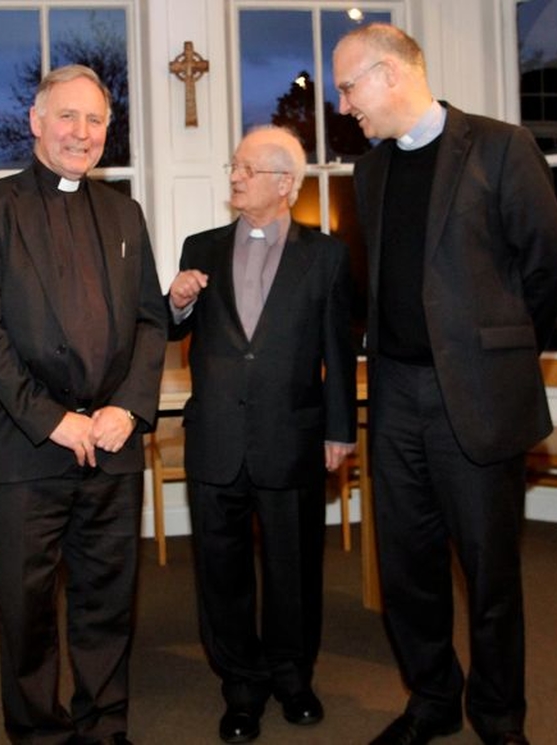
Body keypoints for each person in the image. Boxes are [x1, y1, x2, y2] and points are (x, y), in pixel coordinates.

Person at [333, 23, 557, 745]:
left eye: (348, 87)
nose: (344, 105)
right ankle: (432, 700)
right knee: (406, 570)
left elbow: (549, 266)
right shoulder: (370, 173)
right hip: (396, 395)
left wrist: (493, 351)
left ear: (392, 73)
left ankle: (499, 717)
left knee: (490, 575)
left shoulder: (500, 147)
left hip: (475, 396)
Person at [0, 65, 167, 745]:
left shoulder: (125, 213)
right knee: (27, 609)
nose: (82, 132)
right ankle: (39, 734)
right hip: (23, 446)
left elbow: (150, 321)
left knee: (107, 602)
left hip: (111, 442)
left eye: (96, 120)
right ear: (36, 122)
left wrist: (127, 409)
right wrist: (52, 418)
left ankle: (104, 726)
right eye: (67, 117)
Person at [167, 125, 356, 743]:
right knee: (220, 573)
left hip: (292, 437)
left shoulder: (324, 254)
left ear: (285, 183)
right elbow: (169, 332)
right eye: (235, 166)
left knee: (294, 568)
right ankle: (241, 686)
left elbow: (337, 349)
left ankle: (293, 677)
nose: (235, 176)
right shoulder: (201, 245)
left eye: (248, 168)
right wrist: (177, 302)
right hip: (216, 439)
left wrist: (338, 429)